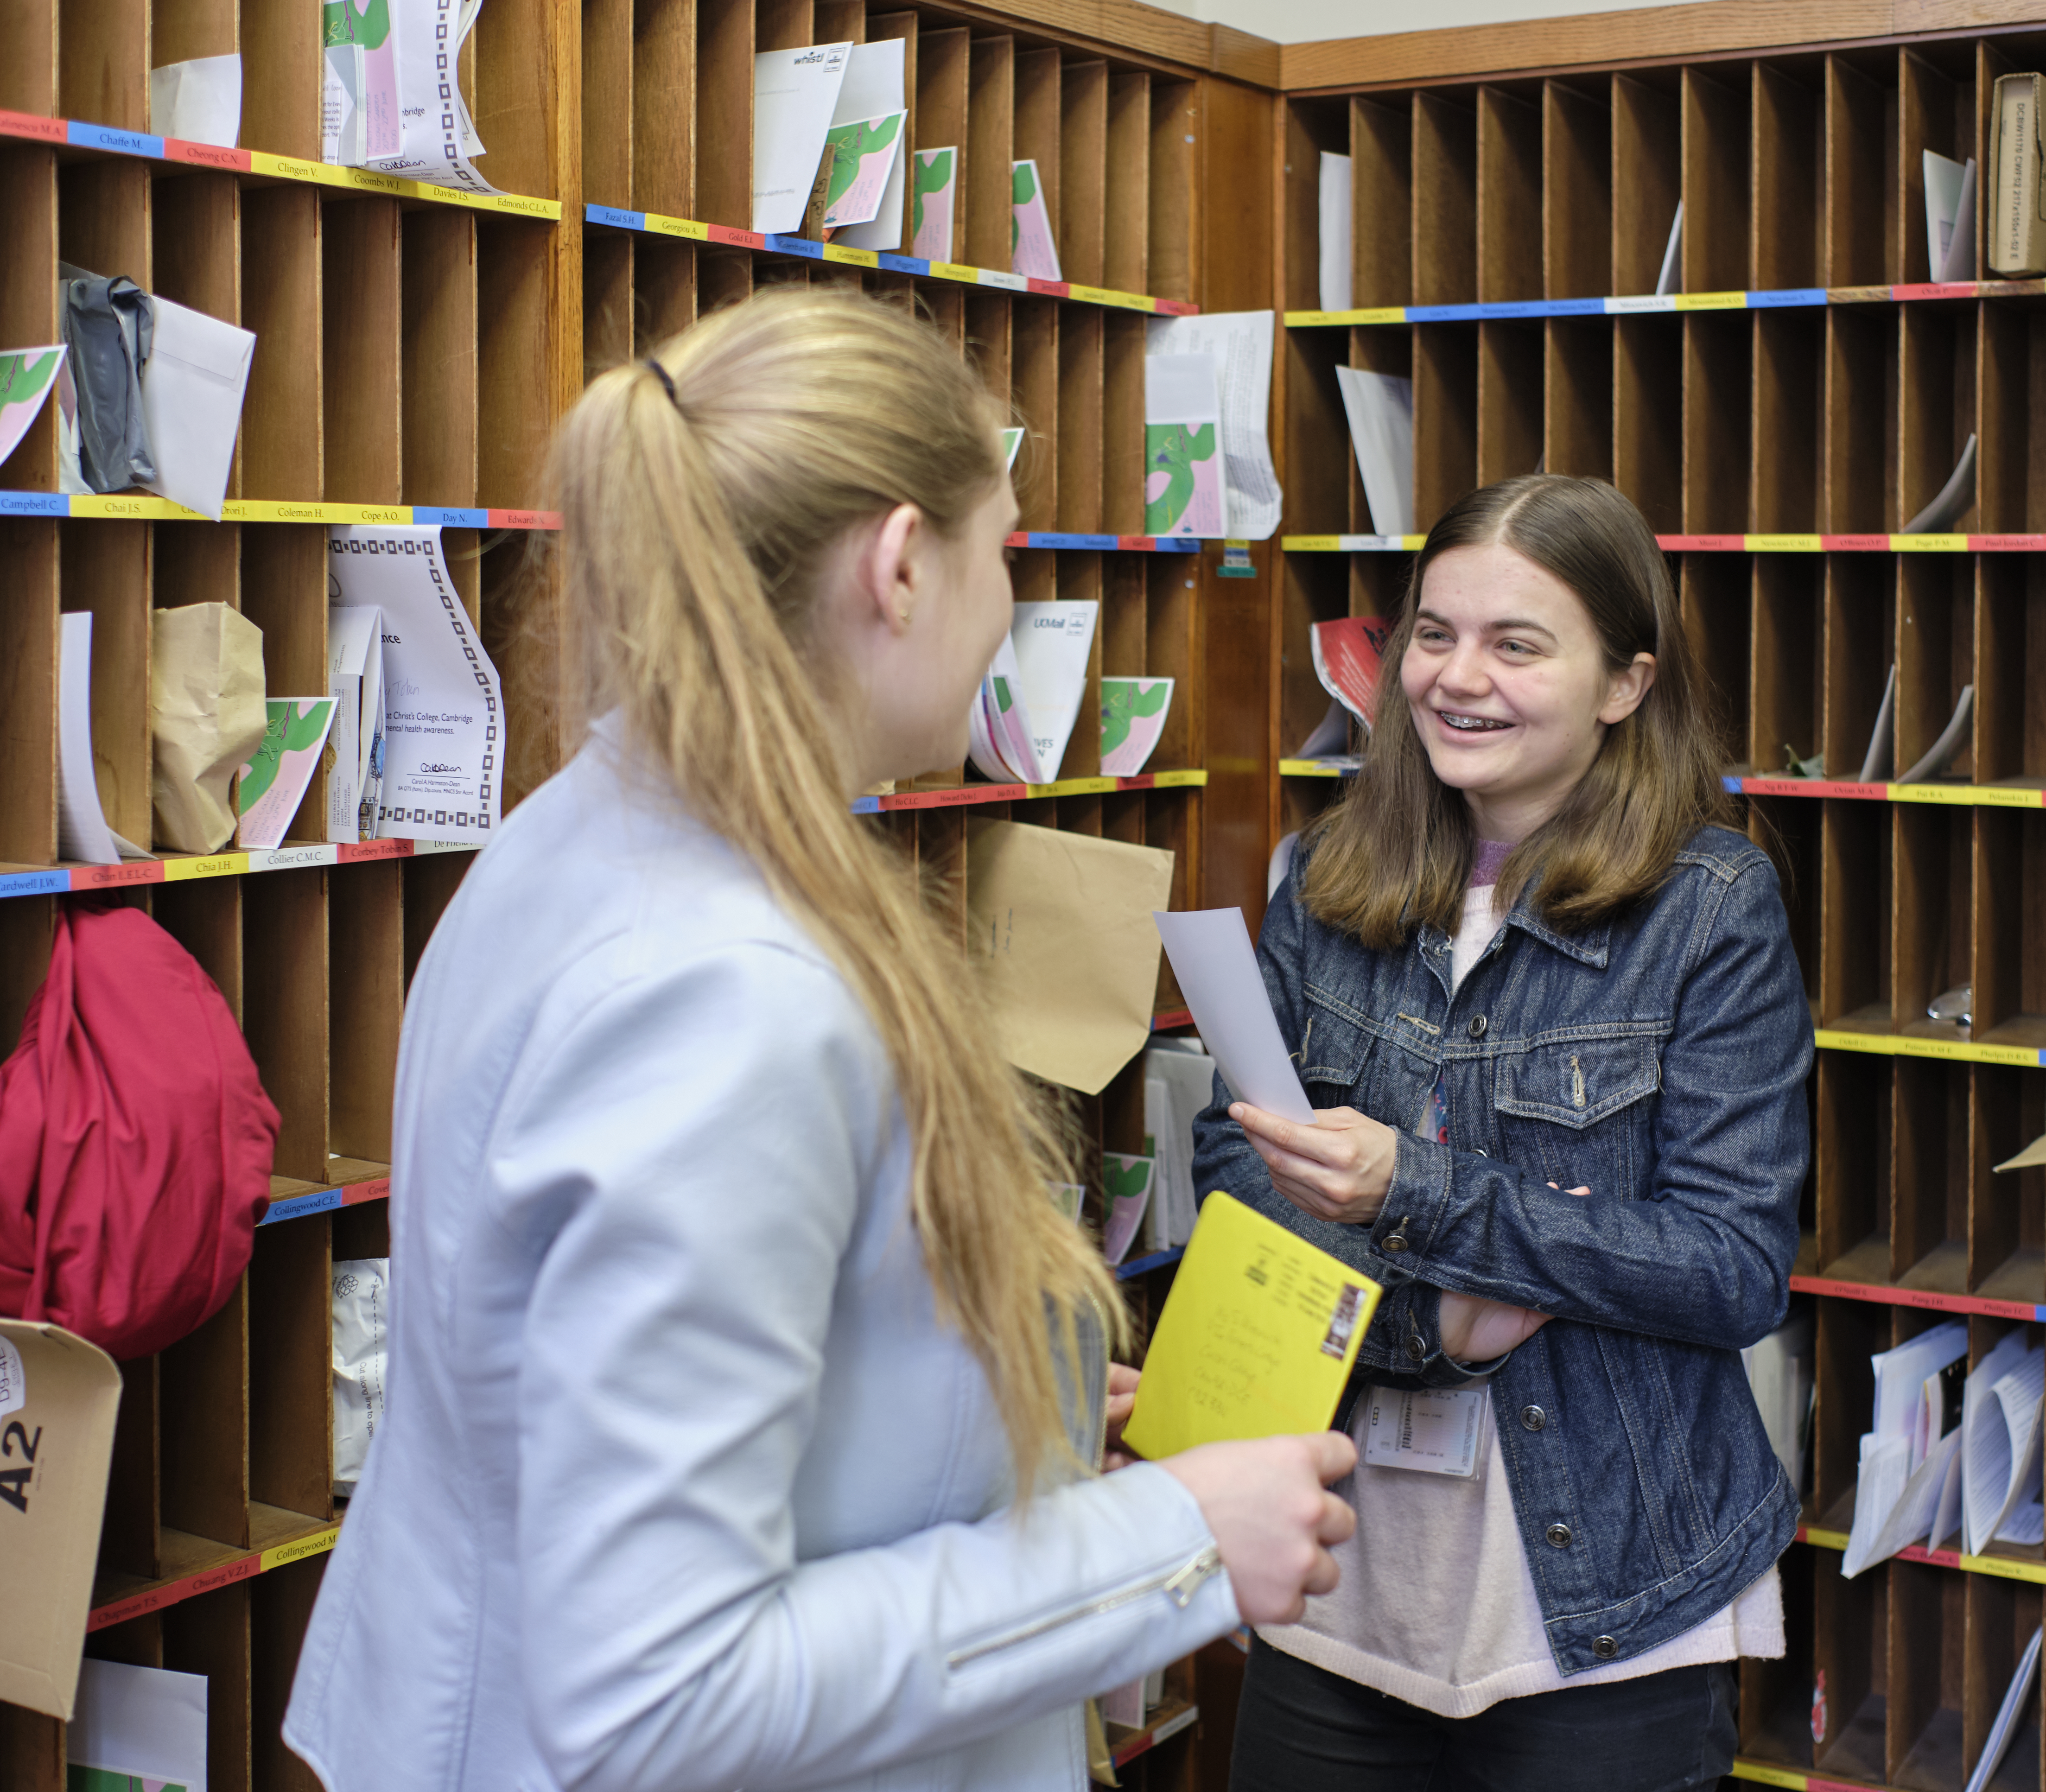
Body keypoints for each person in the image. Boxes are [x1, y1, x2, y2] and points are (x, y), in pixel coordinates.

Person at [284, 292, 1358, 1792]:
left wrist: (1005, 1409)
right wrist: (1172, 1541)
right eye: (1008, 548)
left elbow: (640, 1376)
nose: (1009, 607)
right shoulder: (730, 992)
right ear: (903, 565)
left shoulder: (584, 834)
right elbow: (658, 1693)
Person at [1195, 476, 1810, 1790]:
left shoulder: (1712, 908)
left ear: (1624, 684)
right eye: (1432, 632)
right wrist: (1439, 1323)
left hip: (1608, 1607)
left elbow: (1731, 1264)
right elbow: (1237, 1173)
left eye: (1516, 644)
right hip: (1335, 1572)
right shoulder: (1326, 876)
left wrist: (1420, 1192)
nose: (1455, 678)